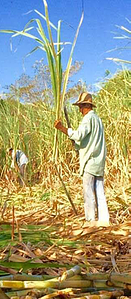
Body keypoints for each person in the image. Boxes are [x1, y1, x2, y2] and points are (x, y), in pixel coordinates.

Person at [54, 92, 109, 227]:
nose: (79, 110)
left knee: (88, 191)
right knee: (99, 191)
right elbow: (87, 140)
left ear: (86, 106)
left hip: (90, 161)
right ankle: (104, 221)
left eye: (80, 106)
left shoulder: (88, 119)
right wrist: (77, 145)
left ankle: (90, 221)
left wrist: (63, 129)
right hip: (99, 160)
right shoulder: (97, 120)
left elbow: (78, 135)